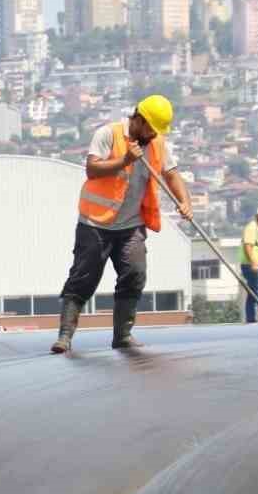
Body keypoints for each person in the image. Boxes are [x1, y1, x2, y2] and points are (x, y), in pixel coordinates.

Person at [50, 94, 192, 354]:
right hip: (95, 223)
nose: (152, 134)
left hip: (131, 225)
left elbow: (171, 174)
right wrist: (125, 160)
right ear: (138, 119)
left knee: (135, 274)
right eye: (150, 128)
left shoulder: (157, 144)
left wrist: (184, 201)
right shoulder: (109, 134)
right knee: (83, 278)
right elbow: (92, 169)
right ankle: (64, 337)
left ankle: (122, 335)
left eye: (156, 131)